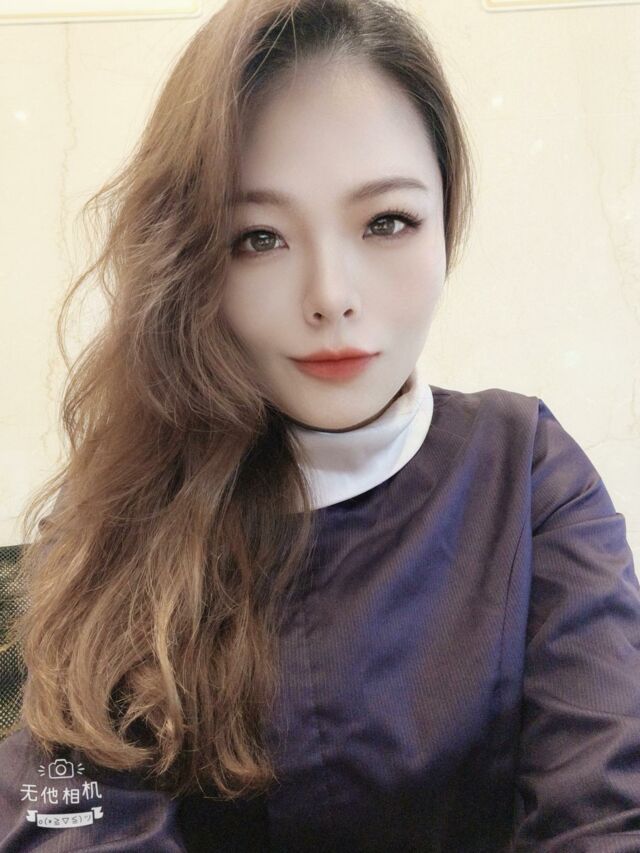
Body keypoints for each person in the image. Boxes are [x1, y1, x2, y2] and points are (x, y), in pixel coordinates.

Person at [1, 0, 639, 850]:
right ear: (189, 257)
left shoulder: (525, 470)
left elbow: (606, 804)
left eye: (386, 222)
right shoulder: (113, 506)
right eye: (258, 237)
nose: (331, 295)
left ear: (445, 221)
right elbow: (65, 819)